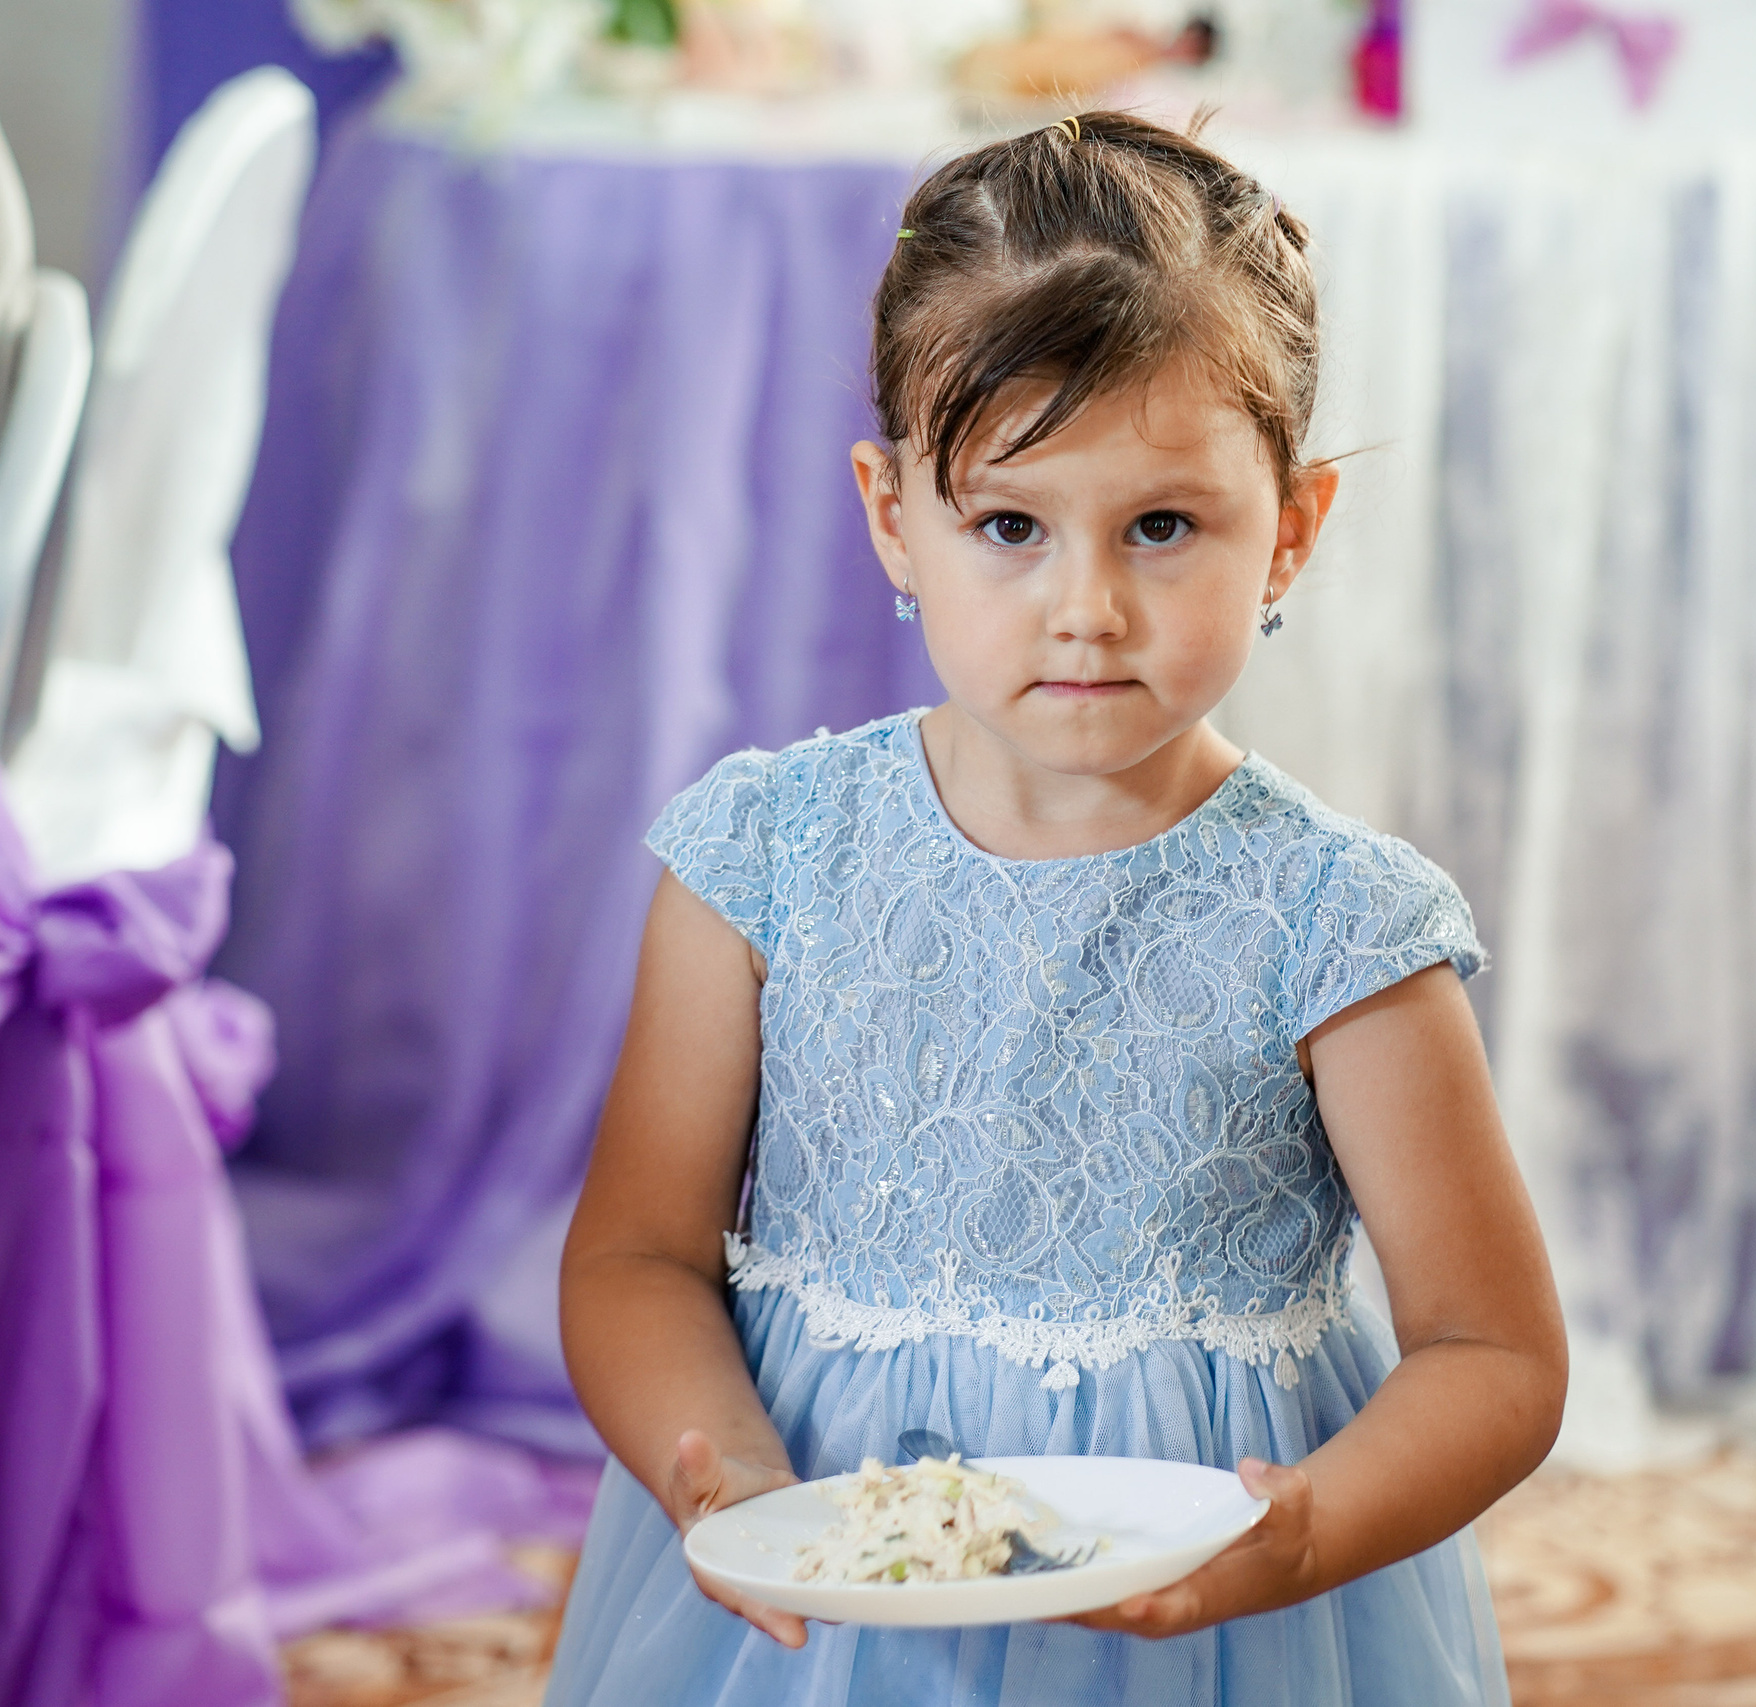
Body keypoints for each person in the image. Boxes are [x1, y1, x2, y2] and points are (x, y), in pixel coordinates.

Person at [545, 109, 1566, 1707]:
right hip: (837, 1607)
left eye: (1163, 526)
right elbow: (636, 1257)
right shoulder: (760, 860)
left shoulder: (1341, 925)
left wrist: (1304, 1537)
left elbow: (1495, 1359)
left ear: (1290, 528)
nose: (1087, 610)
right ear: (896, 514)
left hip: (1213, 1628)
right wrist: (730, 1482)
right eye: (1009, 525)